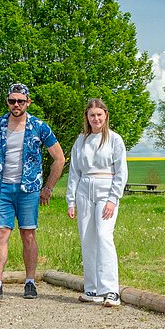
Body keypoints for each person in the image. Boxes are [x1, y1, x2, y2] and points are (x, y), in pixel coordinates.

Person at [0, 83, 65, 300]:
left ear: (28, 102)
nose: (16, 105)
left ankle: (30, 282)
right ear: (7, 102)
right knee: (0, 233)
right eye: (12, 101)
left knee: (28, 234)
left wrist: (48, 188)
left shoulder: (39, 127)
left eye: (20, 101)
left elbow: (59, 158)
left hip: (29, 189)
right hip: (3, 187)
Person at [65, 99, 128, 307]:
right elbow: (74, 172)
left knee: (103, 235)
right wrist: (71, 200)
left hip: (105, 188)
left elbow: (121, 172)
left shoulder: (114, 140)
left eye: (99, 114)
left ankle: (110, 290)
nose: (96, 118)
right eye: (92, 115)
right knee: (87, 238)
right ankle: (91, 288)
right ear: (87, 117)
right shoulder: (81, 140)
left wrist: (113, 198)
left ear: (105, 115)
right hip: (84, 189)